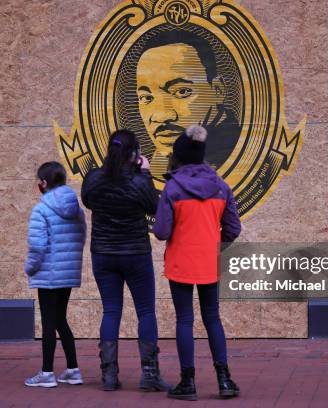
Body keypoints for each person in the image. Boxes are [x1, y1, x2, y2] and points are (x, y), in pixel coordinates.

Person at [153, 125, 242, 401]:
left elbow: (162, 232)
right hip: (209, 261)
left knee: (184, 320)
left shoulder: (172, 188)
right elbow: (233, 228)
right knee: (212, 317)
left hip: (181, 261)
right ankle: (224, 380)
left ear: (178, 155)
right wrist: (214, 240)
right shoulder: (221, 186)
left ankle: (188, 382)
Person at [81, 129, 169, 392]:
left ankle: (109, 376)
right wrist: (145, 173)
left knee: (111, 311)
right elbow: (154, 207)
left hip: (103, 254)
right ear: (135, 154)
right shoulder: (140, 180)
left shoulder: (94, 178)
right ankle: (150, 375)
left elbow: (87, 200)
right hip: (135, 254)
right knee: (145, 311)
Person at [135, 29, 241, 179]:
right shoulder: (159, 161)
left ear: (218, 90)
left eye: (182, 92)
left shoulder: (230, 152)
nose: (161, 116)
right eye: (146, 98)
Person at [24, 162, 86, 388]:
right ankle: (73, 369)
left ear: (43, 183)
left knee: (49, 322)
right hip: (67, 272)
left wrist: (30, 268)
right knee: (60, 318)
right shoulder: (75, 207)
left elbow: (37, 246)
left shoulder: (41, 209)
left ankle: (47, 373)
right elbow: (81, 236)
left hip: (48, 273)